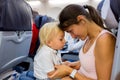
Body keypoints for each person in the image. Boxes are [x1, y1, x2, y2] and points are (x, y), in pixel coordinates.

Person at [48, 4, 116, 80]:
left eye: (71, 31)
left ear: (82, 20)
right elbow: (93, 63)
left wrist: (70, 71)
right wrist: (73, 65)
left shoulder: (104, 40)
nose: (73, 36)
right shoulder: (89, 38)